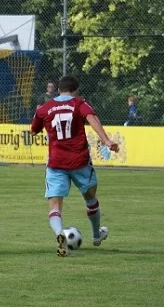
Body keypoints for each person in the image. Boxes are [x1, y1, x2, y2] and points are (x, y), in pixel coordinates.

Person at [31, 75, 119, 257]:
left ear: (58, 90)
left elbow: (33, 130)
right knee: (91, 198)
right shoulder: (79, 103)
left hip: (56, 162)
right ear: (75, 90)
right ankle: (96, 235)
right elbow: (92, 118)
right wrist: (106, 140)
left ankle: (59, 235)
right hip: (79, 161)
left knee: (55, 205)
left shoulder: (45, 108)